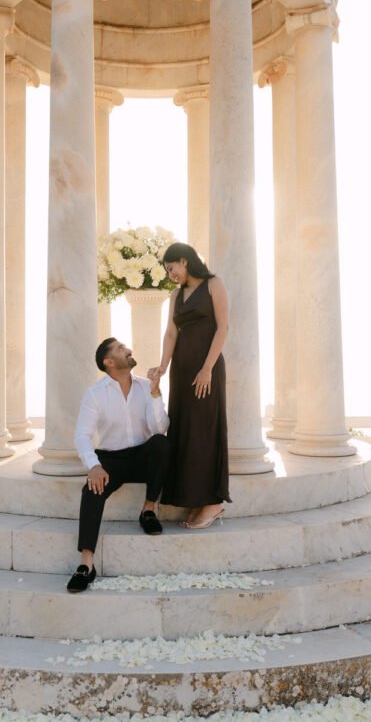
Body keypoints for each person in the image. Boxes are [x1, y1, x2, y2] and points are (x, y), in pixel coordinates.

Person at [66, 337, 171, 593]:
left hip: (141, 455)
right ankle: (86, 564)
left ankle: (148, 510)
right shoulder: (95, 394)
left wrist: (156, 393)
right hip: (110, 459)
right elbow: (82, 435)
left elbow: (160, 429)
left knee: (160, 443)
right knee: (91, 491)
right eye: (121, 349)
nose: (129, 350)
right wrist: (93, 465)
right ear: (109, 362)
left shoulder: (147, 387)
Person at [148, 242, 230, 529]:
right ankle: (195, 499)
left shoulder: (213, 284)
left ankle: (213, 502)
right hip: (181, 371)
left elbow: (223, 328)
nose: (170, 273)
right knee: (185, 430)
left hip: (205, 369)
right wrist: (163, 366)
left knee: (205, 430)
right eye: (168, 270)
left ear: (184, 260)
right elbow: (171, 332)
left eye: (172, 267)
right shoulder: (176, 295)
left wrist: (207, 368)